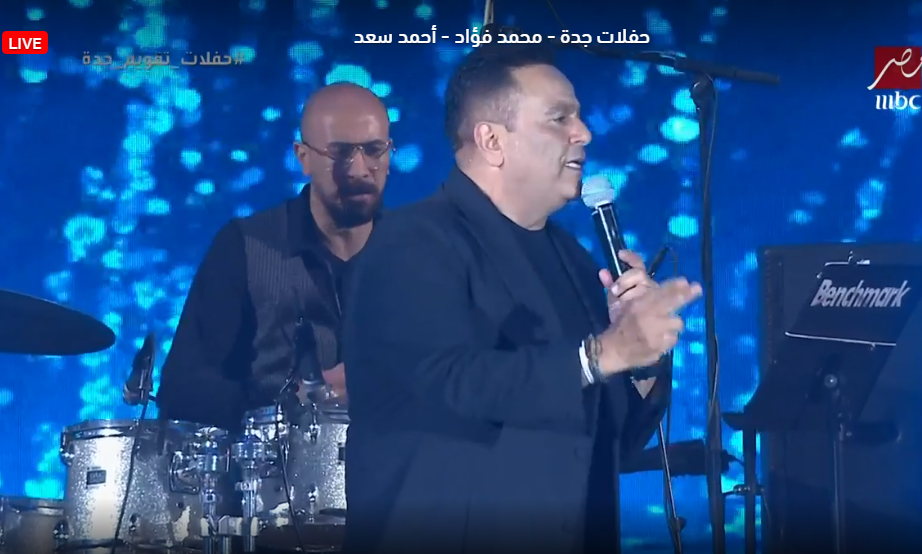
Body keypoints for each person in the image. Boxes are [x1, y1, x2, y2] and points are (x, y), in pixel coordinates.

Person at [342, 43, 703, 554]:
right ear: (492, 140)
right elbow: (452, 384)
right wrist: (604, 353)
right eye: (560, 118)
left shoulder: (573, 257)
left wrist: (640, 359)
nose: (584, 133)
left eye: (579, 116)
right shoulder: (412, 242)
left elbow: (607, 442)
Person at [157, 83, 392, 431]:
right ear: (303, 157)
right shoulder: (244, 246)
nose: (358, 170)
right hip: (276, 462)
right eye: (340, 153)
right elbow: (181, 391)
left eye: (373, 150)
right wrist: (292, 401)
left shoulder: (421, 253)